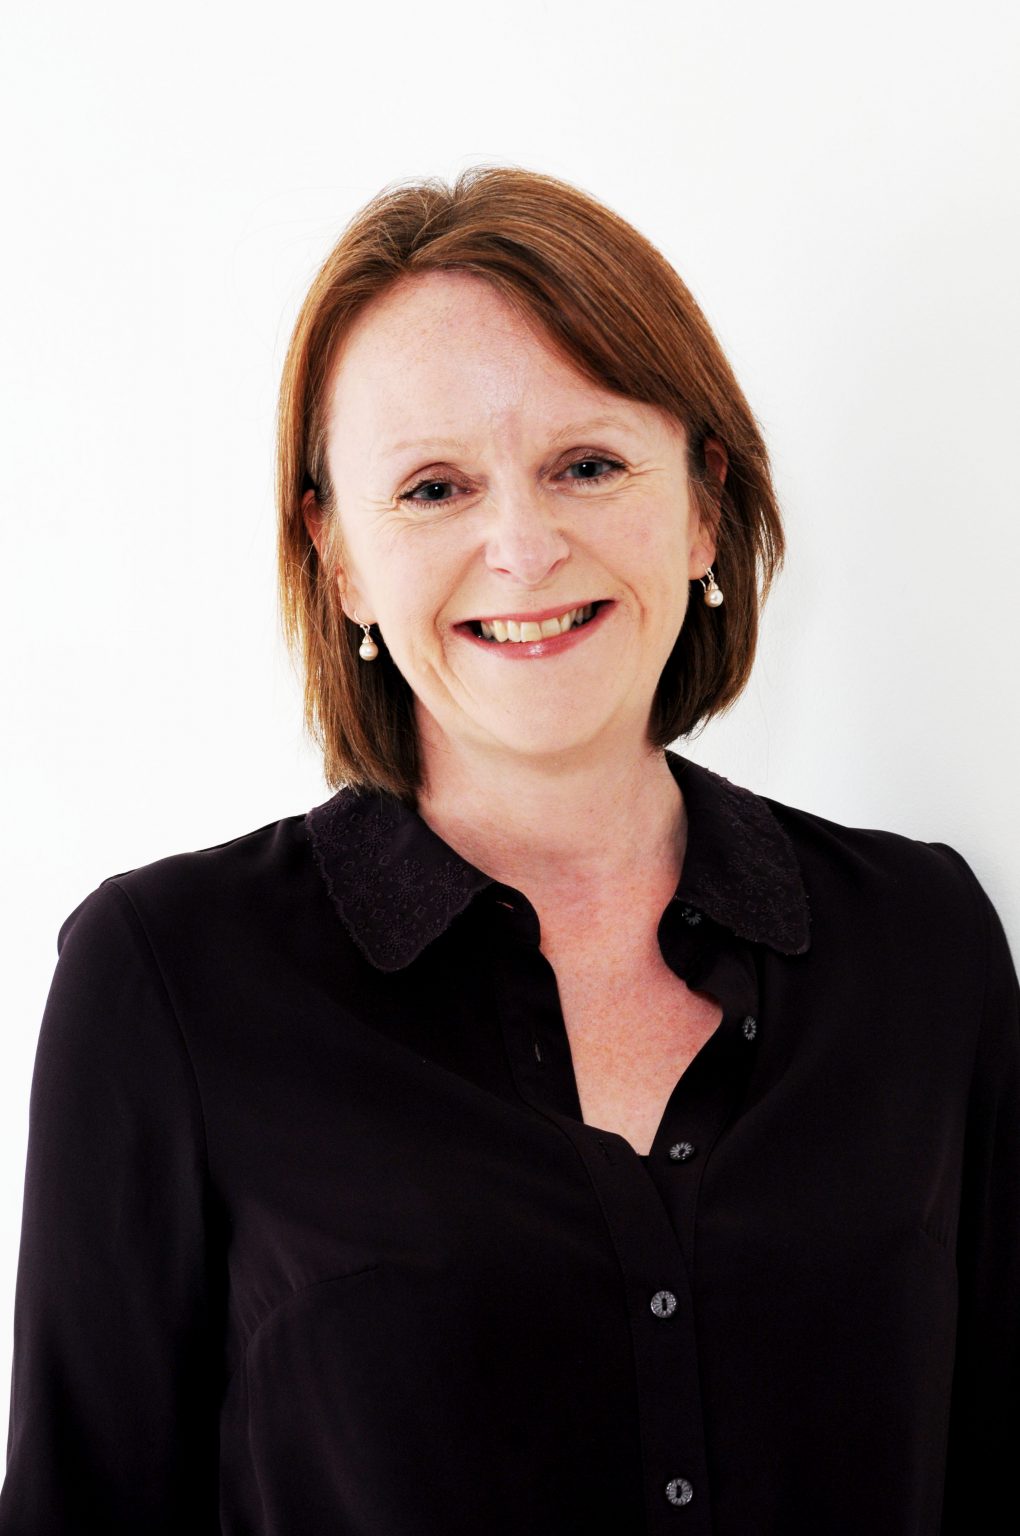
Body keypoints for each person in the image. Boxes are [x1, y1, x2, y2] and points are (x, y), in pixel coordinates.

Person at [0, 166, 1016, 1536]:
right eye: (433, 488)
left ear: (703, 502)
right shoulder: (166, 979)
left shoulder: (924, 943)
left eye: (587, 465)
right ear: (339, 559)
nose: (524, 549)